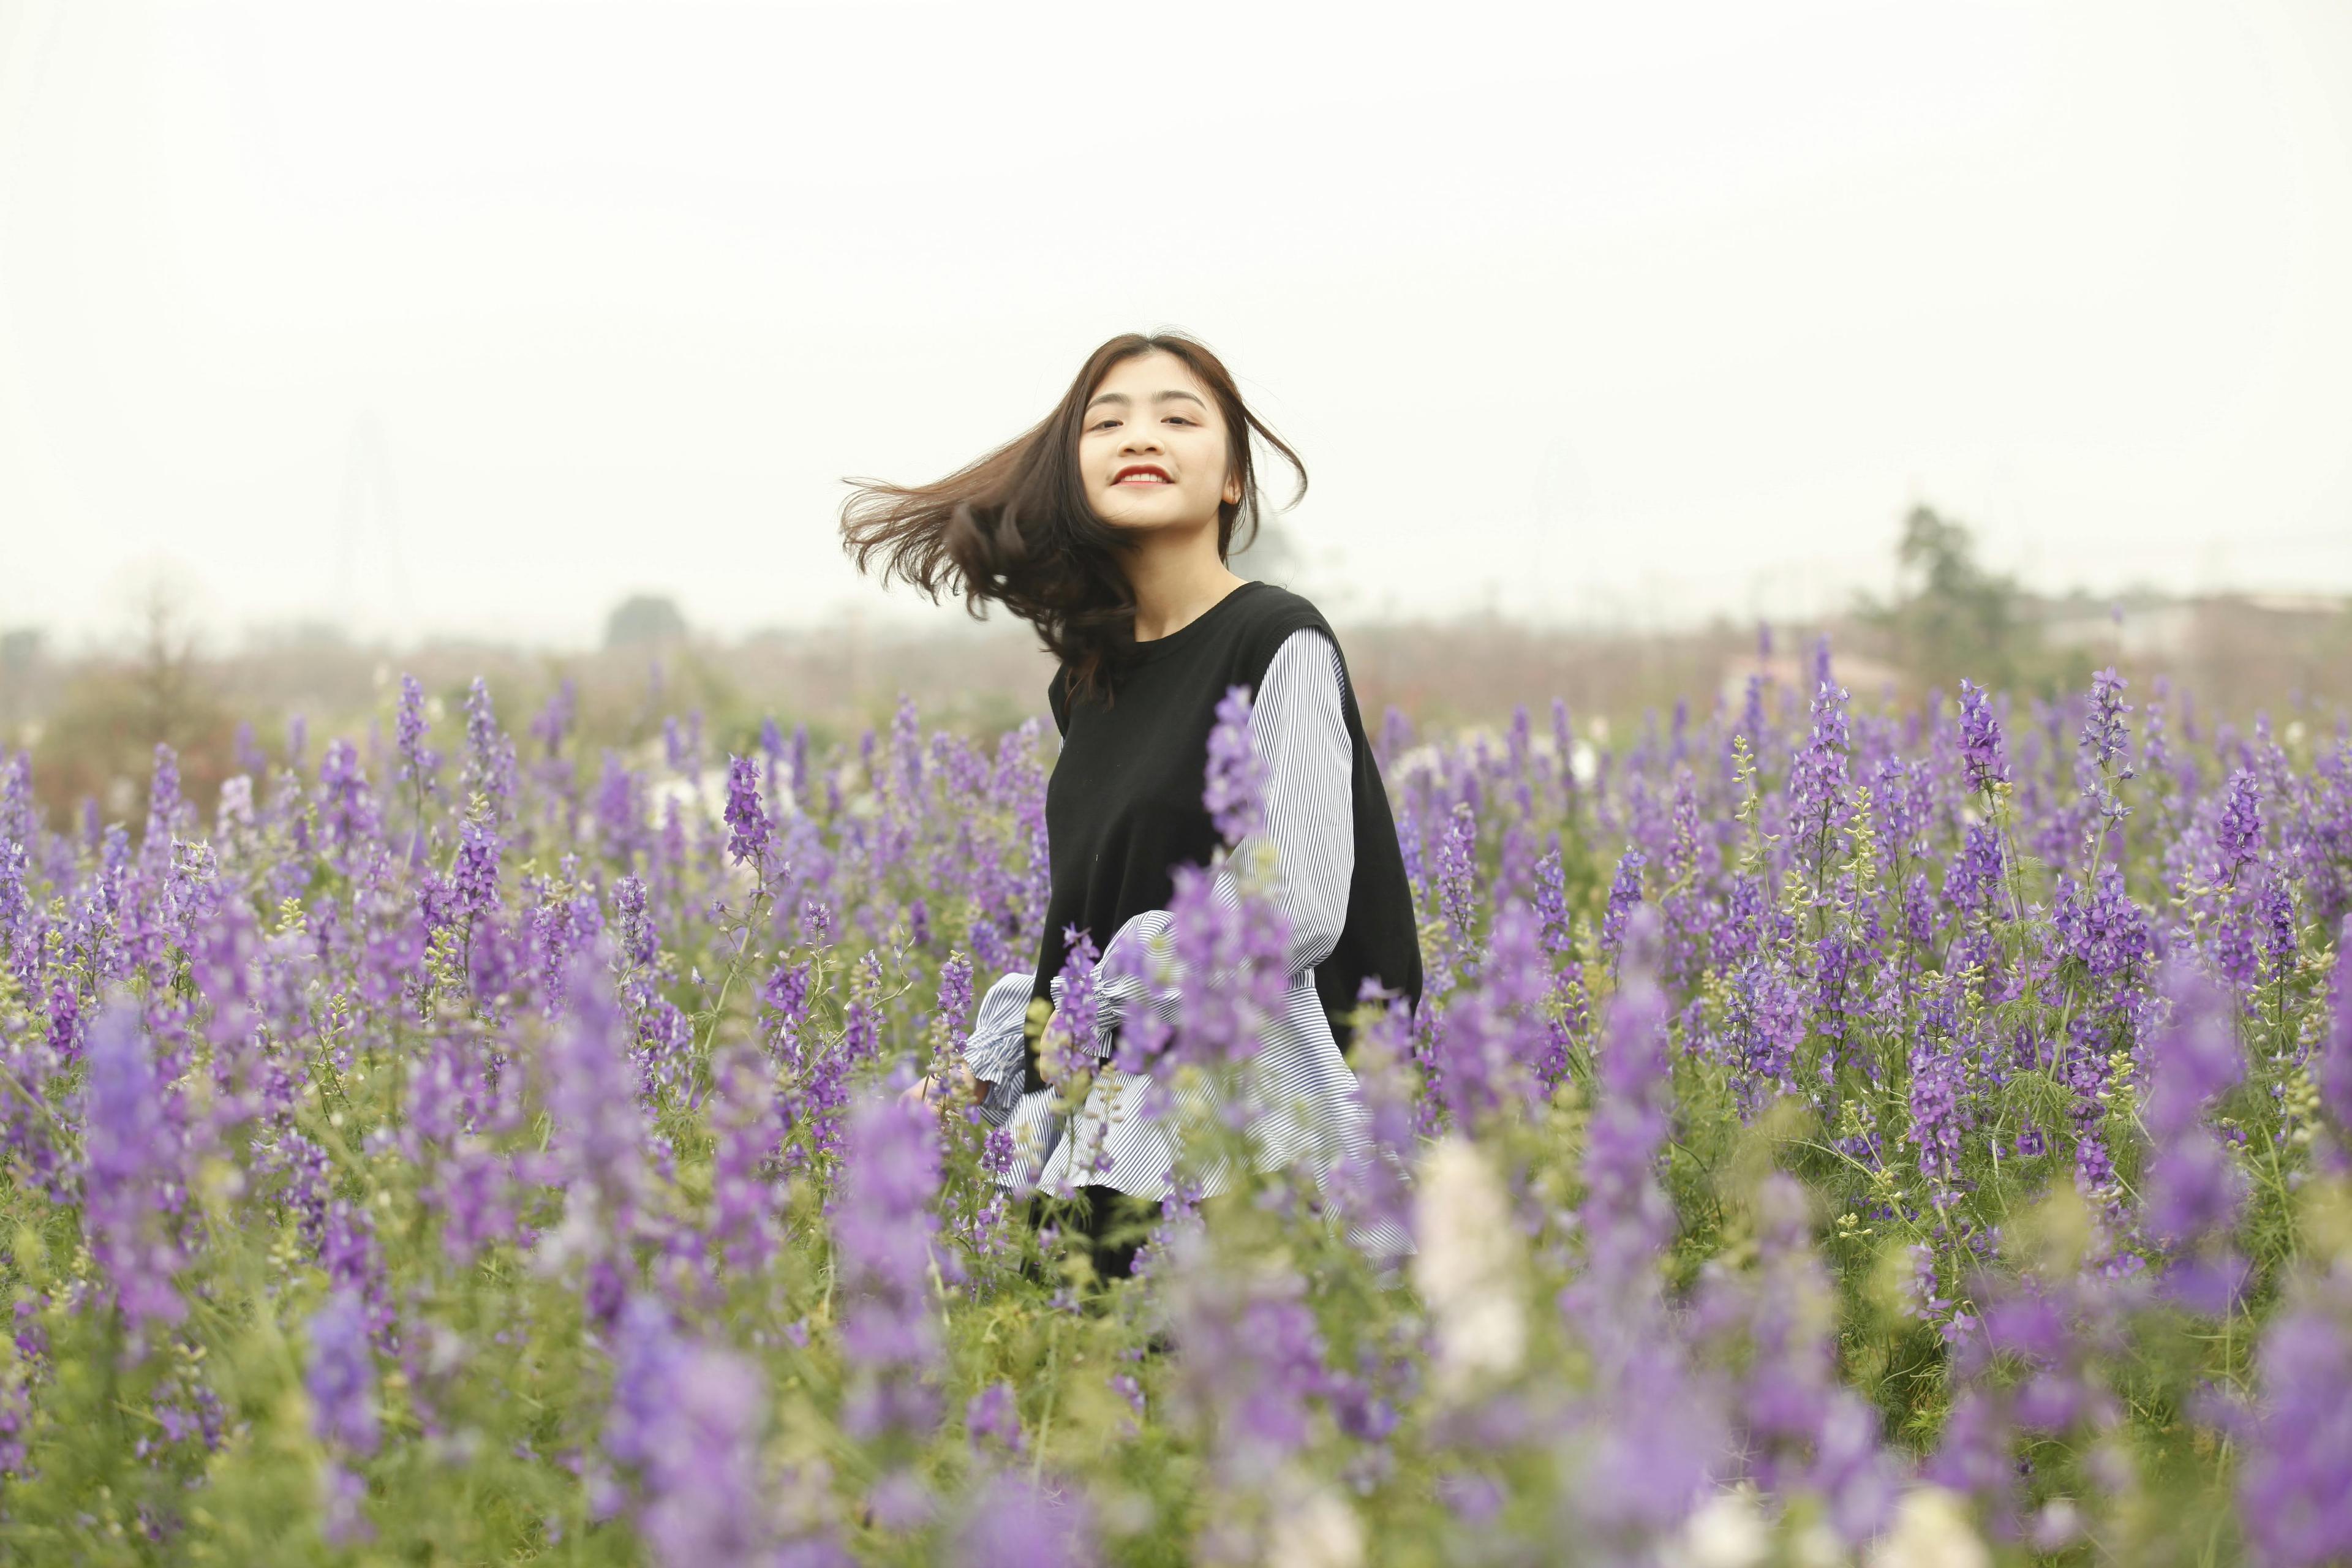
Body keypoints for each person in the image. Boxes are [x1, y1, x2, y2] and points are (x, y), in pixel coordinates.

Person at [837, 331, 1423, 1279]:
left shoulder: (1277, 641)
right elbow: (1092, 925)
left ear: (1232, 478)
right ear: (1075, 472)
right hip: (1100, 1139)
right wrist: (983, 1070)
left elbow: (1297, 906)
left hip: (1247, 1147)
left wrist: (1098, 1001)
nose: (1140, 436)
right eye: (1106, 422)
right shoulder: (1089, 685)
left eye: (1179, 418)